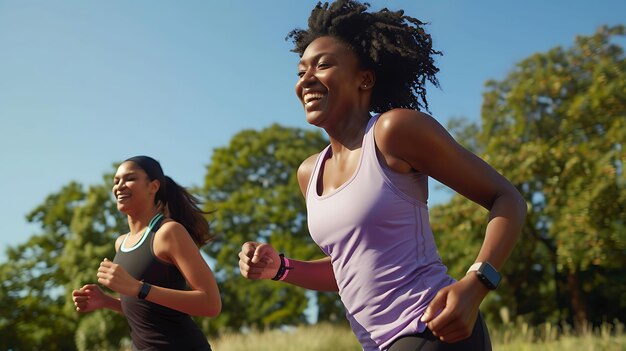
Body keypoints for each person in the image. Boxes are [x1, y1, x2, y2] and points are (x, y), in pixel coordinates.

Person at [238, 1, 527, 350]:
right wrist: (283, 268)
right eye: (300, 72)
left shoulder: (393, 132)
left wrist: (477, 282)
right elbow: (351, 269)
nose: (306, 80)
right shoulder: (309, 172)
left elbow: (506, 198)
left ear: (365, 79)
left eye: (323, 65)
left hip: (432, 326)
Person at [72, 156, 221, 350]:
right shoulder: (121, 243)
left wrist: (138, 288)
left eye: (130, 178)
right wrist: (106, 301)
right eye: (116, 181)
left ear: (153, 186)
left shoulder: (167, 232)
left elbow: (210, 303)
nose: (120, 186)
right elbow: (149, 309)